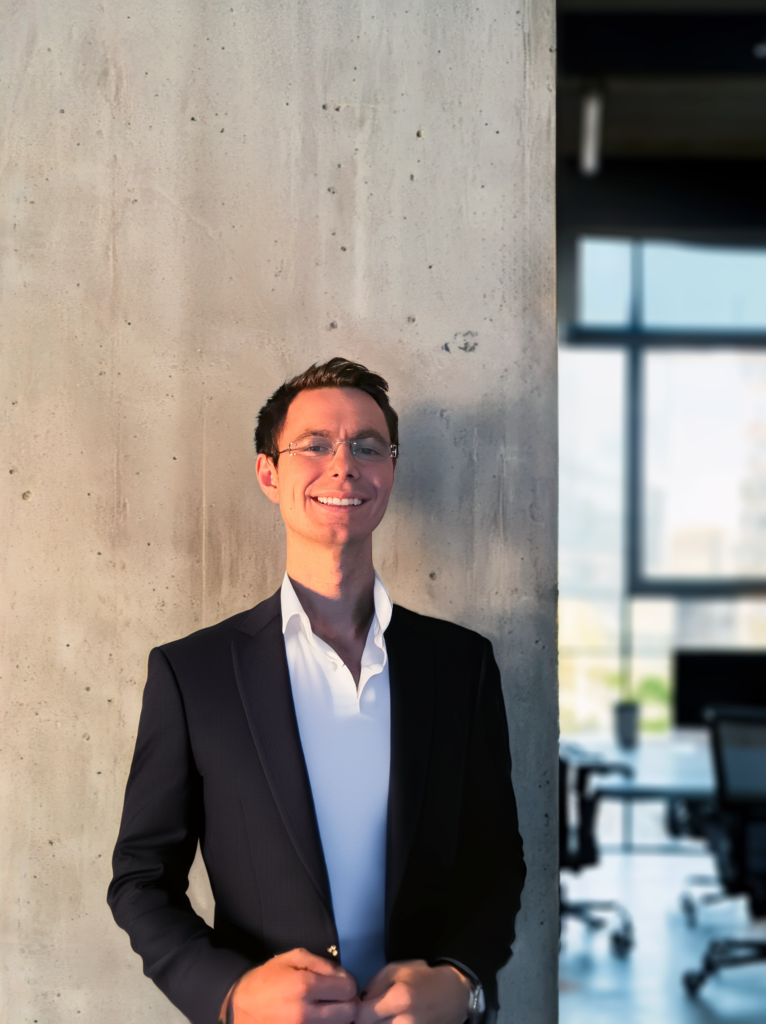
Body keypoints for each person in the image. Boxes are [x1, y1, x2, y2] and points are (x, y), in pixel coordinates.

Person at [108, 357, 526, 1024]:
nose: (344, 465)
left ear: (390, 469)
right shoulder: (194, 674)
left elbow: (495, 861)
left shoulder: (461, 663)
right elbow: (140, 879)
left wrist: (463, 980)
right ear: (268, 474)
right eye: (315, 445)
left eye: (368, 446)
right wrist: (232, 996)